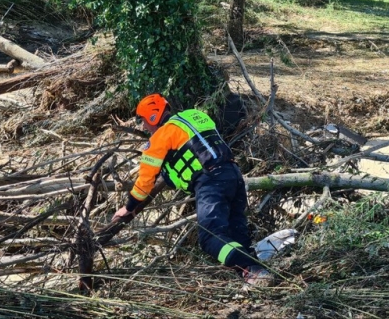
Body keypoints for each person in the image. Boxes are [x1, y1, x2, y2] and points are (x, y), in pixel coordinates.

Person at [111, 93, 272, 286]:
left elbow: (145, 180)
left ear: (153, 117)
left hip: (211, 181)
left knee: (209, 237)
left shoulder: (161, 137)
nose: (144, 126)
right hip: (233, 174)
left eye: (144, 121)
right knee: (236, 233)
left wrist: (129, 207)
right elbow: (193, 152)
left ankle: (253, 270)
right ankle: (256, 273)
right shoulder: (195, 116)